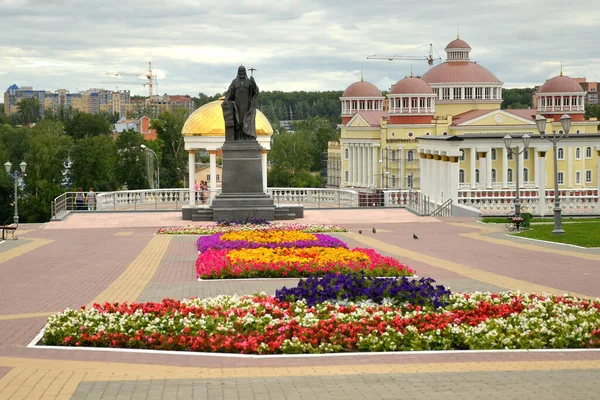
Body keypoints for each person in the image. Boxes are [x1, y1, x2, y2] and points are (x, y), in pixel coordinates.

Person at [222, 65, 259, 141]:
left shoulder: (249, 81)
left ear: (245, 72)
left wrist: (253, 84)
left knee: (247, 121)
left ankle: (246, 137)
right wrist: (226, 100)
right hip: (237, 106)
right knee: (238, 122)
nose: (241, 73)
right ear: (238, 72)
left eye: (242, 71)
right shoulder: (235, 82)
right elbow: (229, 91)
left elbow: (255, 92)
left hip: (247, 106)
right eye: (240, 71)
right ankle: (238, 138)